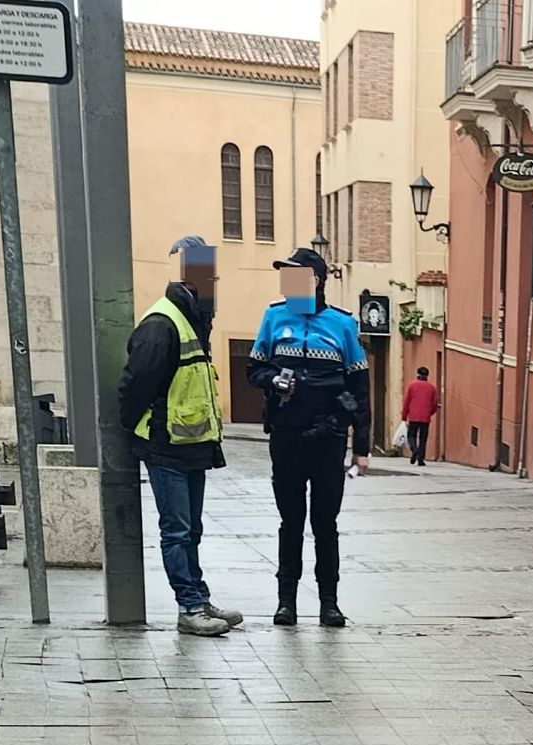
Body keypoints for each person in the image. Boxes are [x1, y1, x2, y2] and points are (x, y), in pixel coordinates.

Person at [118, 237, 244, 636]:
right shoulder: (162, 325)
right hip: (166, 445)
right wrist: (137, 428)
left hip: (191, 445)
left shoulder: (192, 322)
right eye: (210, 281)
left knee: (191, 529)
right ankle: (189, 607)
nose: (215, 290)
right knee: (176, 530)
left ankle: (199, 598)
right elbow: (136, 384)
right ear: (192, 285)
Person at [247, 248, 372, 628]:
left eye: (296, 276)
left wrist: (361, 448)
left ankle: (329, 602)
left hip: (328, 438)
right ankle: (286, 602)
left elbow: (360, 389)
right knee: (290, 522)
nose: (288, 283)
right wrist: (272, 379)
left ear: (316, 280)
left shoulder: (342, 325)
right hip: (286, 436)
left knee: (325, 524)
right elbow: (253, 369)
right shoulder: (274, 317)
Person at [401, 366, 439, 466]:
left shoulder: (412, 385)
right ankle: (420, 459)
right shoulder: (432, 388)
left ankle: (414, 449)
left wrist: (404, 416)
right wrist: (430, 412)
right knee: (423, 438)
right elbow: (435, 403)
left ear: (417, 374)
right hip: (425, 417)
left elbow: (407, 401)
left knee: (411, 435)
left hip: (413, 415)